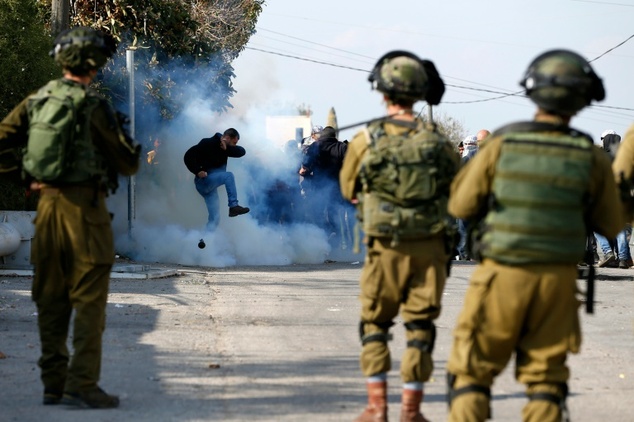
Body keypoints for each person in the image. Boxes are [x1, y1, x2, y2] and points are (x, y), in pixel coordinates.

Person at [445, 49, 625, 422]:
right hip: (557, 283)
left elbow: (461, 206)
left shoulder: (500, 144)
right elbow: (610, 223)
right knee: (545, 384)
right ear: (581, 98)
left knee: (471, 375)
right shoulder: (589, 156)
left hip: (501, 276)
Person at [0, 27, 141, 408]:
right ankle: (82, 383)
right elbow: (127, 165)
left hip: (45, 212)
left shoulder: (37, 100)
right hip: (86, 214)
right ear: (93, 65)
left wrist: (26, 177)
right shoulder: (93, 107)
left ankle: (53, 383)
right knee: (89, 299)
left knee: (50, 297)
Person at [340, 50, 460, 422]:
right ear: (420, 94)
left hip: (385, 247)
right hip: (430, 248)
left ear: (384, 94)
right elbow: (458, 190)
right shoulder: (439, 142)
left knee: (375, 323)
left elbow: (348, 189)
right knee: (420, 326)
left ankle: (377, 408)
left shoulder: (367, 140)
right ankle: (411, 410)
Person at [184, 128, 250, 231]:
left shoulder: (226, 148)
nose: (234, 146)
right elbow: (188, 156)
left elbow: (242, 152)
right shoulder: (208, 142)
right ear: (227, 138)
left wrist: (227, 149)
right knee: (228, 176)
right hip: (203, 181)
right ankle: (233, 206)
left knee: (215, 218)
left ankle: (205, 240)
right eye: (233, 142)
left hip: (211, 187)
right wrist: (198, 171)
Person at [299, 126, 348, 235]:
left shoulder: (314, 147)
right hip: (337, 188)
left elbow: (305, 167)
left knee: (318, 215)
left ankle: (322, 240)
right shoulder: (342, 147)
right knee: (336, 216)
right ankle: (339, 242)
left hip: (318, 187)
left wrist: (306, 173)